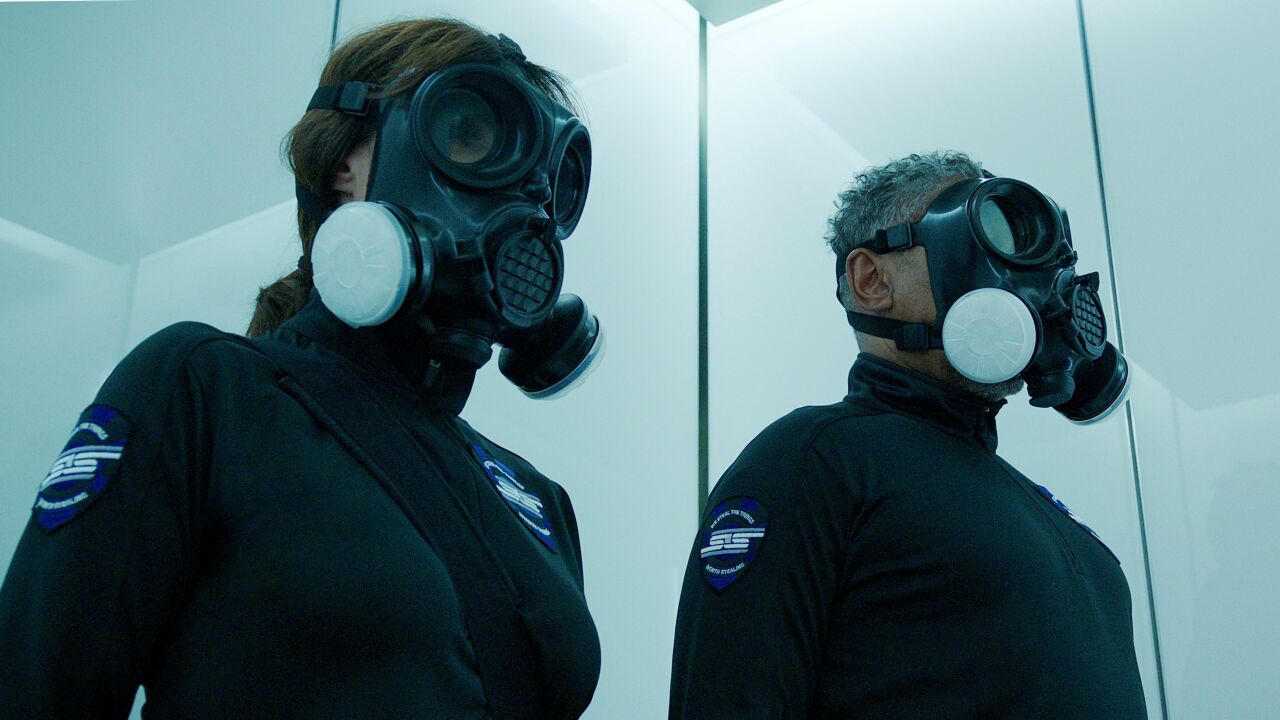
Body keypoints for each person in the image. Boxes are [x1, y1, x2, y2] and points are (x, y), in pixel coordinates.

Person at [0, 18, 604, 719]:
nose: (527, 198)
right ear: (343, 165)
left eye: (549, 175)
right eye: (469, 134)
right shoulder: (208, 390)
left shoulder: (537, 501)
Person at [669, 151, 1145, 718]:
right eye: (985, 246)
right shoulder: (813, 461)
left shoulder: (1046, 512)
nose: (1031, 289)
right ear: (872, 280)